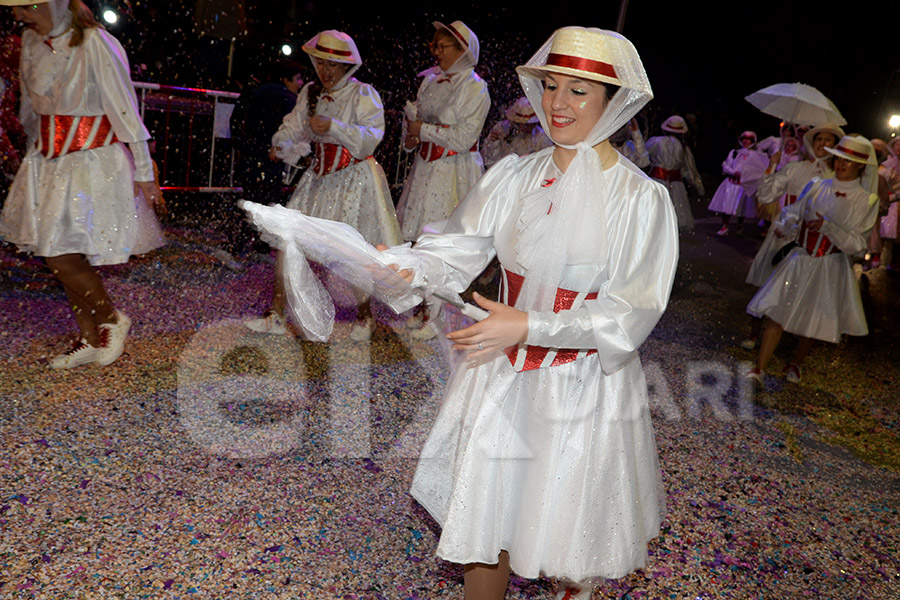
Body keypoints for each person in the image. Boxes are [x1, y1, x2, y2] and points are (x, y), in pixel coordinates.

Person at [381, 26, 678, 600]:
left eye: (578, 91)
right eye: (551, 87)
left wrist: (533, 324)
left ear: (613, 102)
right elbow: (457, 247)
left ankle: (572, 582)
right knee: (485, 520)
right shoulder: (514, 175)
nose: (557, 104)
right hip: (499, 373)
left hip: (582, 383)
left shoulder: (641, 199)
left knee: (563, 521)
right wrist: (406, 266)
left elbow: (631, 312)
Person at [0, 0, 164, 369]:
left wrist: (143, 170)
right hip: (47, 161)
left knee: (61, 252)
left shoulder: (95, 42)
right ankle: (89, 336)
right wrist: (30, 158)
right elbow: (31, 108)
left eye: (27, 6)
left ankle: (111, 319)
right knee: (58, 252)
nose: (19, 15)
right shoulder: (30, 42)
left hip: (91, 159)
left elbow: (125, 108)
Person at [243, 30, 401, 342]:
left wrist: (335, 128)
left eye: (333, 65)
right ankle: (276, 314)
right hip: (319, 177)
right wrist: (283, 143)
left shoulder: (362, 94)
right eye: (321, 63)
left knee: (353, 250)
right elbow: (295, 127)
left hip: (353, 177)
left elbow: (372, 136)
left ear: (347, 66)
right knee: (289, 241)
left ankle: (365, 315)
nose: (325, 71)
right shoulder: (310, 93)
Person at [746, 135, 879, 385]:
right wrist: (786, 226)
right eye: (838, 158)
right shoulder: (818, 184)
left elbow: (858, 245)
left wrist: (828, 228)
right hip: (800, 257)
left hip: (829, 264)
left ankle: (796, 362)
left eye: (848, 161)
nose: (841, 165)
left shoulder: (866, 200)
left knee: (814, 316)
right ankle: (759, 369)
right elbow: (793, 213)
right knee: (776, 310)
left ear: (861, 165)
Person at [395, 20, 490, 339]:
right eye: (433, 45)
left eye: (442, 46)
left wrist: (423, 130)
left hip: (454, 170)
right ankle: (424, 306)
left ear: (463, 50)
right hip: (427, 168)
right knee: (421, 239)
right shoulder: (431, 82)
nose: (435, 52)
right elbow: (417, 124)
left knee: (443, 241)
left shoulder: (475, 86)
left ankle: (436, 316)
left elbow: (464, 137)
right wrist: (411, 137)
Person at [741, 123, 844, 349]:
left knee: (799, 289)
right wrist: (772, 166)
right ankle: (754, 334)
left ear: (836, 146)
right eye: (818, 139)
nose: (822, 144)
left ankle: (785, 339)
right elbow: (766, 194)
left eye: (828, 140)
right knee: (767, 281)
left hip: (811, 239)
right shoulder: (796, 168)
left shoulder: (836, 177)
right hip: (782, 232)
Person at [646, 115, 704, 230]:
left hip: (657, 182)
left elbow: (641, 156)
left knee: (654, 212)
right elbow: (689, 170)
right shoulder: (683, 147)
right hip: (676, 185)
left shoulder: (655, 141)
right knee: (675, 213)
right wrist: (699, 187)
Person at [707, 131, 768, 235]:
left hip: (742, 185)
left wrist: (745, 175)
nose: (745, 141)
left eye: (748, 139)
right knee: (727, 204)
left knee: (741, 207)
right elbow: (726, 165)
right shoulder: (734, 152)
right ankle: (725, 226)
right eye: (743, 139)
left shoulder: (754, 155)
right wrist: (732, 172)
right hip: (731, 183)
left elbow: (758, 171)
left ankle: (740, 225)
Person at [482, 96, 552, 168]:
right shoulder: (502, 129)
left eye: (533, 124)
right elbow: (488, 160)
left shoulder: (541, 136)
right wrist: (494, 143)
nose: (529, 128)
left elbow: (546, 163)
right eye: (526, 125)